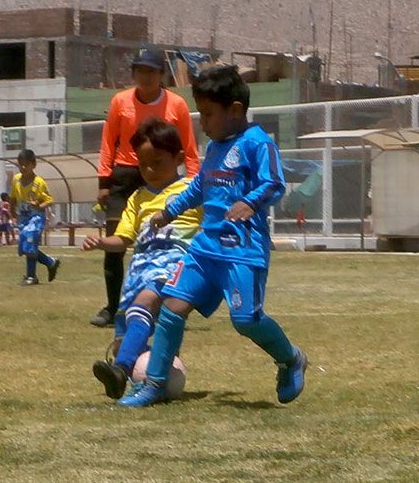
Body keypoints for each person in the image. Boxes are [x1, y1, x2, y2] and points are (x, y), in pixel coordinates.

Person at [119, 65, 307, 408]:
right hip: (204, 249)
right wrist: (169, 212)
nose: (201, 123)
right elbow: (199, 189)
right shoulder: (216, 148)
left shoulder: (258, 143)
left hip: (242, 251)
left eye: (207, 114)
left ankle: (291, 358)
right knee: (173, 308)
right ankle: (155, 384)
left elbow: (275, 183)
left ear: (235, 110)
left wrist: (249, 202)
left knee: (246, 320)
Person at [83, 118, 203, 399]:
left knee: (145, 304)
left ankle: (122, 370)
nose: (149, 170)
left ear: (179, 158)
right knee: (123, 341)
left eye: (158, 162)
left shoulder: (192, 191)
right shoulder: (137, 198)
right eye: (143, 163)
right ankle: (151, 372)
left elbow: (215, 222)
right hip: (139, 272)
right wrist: (102, 241)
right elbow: (123, 239)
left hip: (173, 268)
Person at [92, 47, 200, 328]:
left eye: (151, 70)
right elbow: (108, 142)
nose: (146, 76)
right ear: (133, 74)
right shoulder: (119, 102)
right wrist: (104, 181)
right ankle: (114, 306)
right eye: (140, 70)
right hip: (126, 173)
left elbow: (188, 147)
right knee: (116, 241)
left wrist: (195, 184)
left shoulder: (177, 105)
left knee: (171, 241)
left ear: (162, 74)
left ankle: (169, 303)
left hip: (166, 175)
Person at [9, 149, 61, 286]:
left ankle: (31, 276)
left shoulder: (39, 183)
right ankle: (51, 262)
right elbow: (13, 197)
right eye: (20, 165)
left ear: (34, 165)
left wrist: (38, 205)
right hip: (23, 218)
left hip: (36, 218)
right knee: (24, 247)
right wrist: (11, 211)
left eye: (26, 164)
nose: (23, 168)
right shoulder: (16, 180)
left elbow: (49, 200)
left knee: (29, 242)